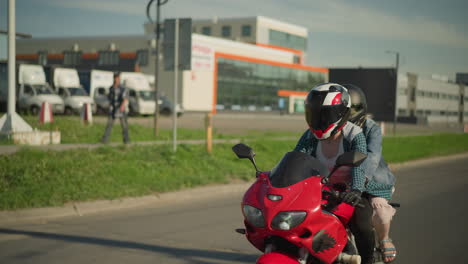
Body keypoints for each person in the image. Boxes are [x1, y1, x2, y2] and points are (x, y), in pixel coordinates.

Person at [293, 83, 375, 264]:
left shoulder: (354, 134)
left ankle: (368, 260)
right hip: (317, 189)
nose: (319, 120)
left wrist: (356, 190)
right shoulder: (309, 136)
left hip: (347, 191)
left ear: (342, 114)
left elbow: (359, 164)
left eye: (325, 115)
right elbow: (297, 158)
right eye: (315, 114)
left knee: (362, 223)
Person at [343, 84, 397, 263]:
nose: (349, 113)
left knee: (379, 212)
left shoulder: (371, 128)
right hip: (345, 178)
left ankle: (384, 239)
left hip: (372, 179)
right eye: (345, 109)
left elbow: (373, 156)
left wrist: (360, 179)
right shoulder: (337, 127)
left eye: (353, 109)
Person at [101, 72, 130, 144]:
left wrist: (123, 106)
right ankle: (105, 139)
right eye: (115, 78)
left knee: (124, 125)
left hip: (121, 109)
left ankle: (126, 140)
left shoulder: (122, 88)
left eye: (117, 78)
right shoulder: (111, 88)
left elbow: (125, 98)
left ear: (119, 79)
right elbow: (109, 98)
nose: (116, 79)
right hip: (113, 109)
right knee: (109, 124)